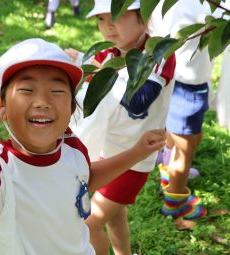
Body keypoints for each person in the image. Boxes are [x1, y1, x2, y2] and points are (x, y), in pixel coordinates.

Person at [0, 38, 165, 255]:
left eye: (57, 91)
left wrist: (136, 153)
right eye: (27, 90)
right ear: (2, 108)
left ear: (72, 108)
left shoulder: (72, 146)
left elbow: (83, 179)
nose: (42, 101)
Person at [67, 0, 177, 254]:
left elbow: (138, 102)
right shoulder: (110, 54)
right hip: (108, 150)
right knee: (115, 216)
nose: (107, 26)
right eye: (101, 19)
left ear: (143, 16)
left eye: (115, 16)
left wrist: (100, 72)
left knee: (89, 224)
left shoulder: (158, 54)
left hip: (134, 158)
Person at [149, 0, 230, 221]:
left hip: (173, 78)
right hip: (188, 85)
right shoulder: (208, 5)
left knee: (180, 139)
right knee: (185, 148)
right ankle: (175, 203)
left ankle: (169, 179)